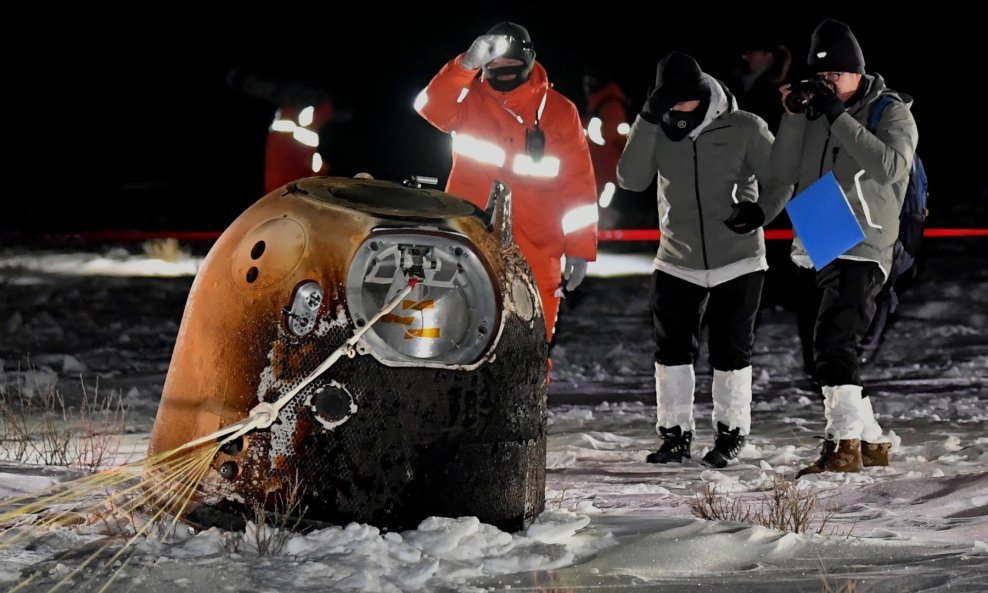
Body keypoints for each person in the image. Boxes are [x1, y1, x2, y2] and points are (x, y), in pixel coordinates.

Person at [617, 52, 792, 467]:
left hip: (739, 258)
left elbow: (782, 177)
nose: (679, 110)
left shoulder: (744, 127)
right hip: (676, 259)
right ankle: (675, 435)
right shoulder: (657, 129)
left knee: (731, 350)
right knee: (672, 350)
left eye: (685, 101)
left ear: (701, 94)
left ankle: (731, 433)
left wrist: (760, 212)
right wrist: (646, 118)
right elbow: (630, 178)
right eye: (670, 103)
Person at [770, 19, 918, 477]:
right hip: (818, 232)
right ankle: (871, 442)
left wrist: (838, 115)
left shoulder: (891, 110)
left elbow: (891, 167)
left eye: (836, 75)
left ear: (857, 72)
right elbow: (782, 168)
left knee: (836, 341)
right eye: (822, 77)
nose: (828, 84)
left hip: (865, 236)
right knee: (826, 350)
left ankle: (844, 447)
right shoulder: (814, 110)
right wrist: (795, 114)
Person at [415, 22, 598, 340]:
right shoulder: (468, 99)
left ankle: (531, 391)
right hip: (469, 239)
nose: (503, 72)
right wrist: (464, 65)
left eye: (511, 65)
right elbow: (428, 107)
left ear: (529, 61)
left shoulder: (560, 111)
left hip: (540, 248)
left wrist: (580, 249)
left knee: (532, 341)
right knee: (462, 335)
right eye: (495, 65)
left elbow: (578, 186)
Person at [582, 65, 631, 227]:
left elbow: (609, 135)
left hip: (607, 164)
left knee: (605, 200)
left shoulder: (610, 105)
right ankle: (601, 232)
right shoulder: (600, 105)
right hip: (599, 163)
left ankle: (611, 232)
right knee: (597, 200)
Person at [727, 42, 792, 134]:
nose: (745, 57)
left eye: (752, 53)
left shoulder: (771, 89)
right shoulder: (752, 83)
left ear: (768, 56)